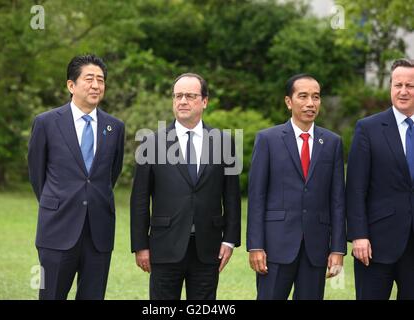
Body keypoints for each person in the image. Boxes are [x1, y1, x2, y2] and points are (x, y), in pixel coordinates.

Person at [130, 73, 241, 300]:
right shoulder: (151, 143)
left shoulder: (223, 142)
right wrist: (140, 245)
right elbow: (140, 198)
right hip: (164, 247)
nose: (182, 101)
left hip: (207, 249)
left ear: (204, 101)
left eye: (190, 96)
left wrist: (229, 239)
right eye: (178, 96)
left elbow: (231, 196)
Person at [28, 54, 124, 300]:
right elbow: (37, 174)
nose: (96, 85)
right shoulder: (46, 123)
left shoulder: (115, 127)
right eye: (89, 79)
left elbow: (111, 173)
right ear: (71, 85)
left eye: (101, 80)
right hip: (57, 228)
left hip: (99, 232)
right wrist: (58, 201)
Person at [247, 74, 346, 300]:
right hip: (275, 246)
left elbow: (338, 200)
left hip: (316, 248)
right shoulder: (268, 139)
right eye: (303, 96)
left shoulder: (332, 143)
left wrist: (338, 249)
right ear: (289, 101)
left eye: (316, 97)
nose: (310, 103)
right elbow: (257, 196)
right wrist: (255, 245)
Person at [346, 58, 414, 300]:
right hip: (375, 245)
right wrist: (358, 235)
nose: (403, 91)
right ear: (390, 88)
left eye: (410, 85)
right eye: (398, 85)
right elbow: (355, 188)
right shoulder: (368, 128)